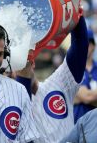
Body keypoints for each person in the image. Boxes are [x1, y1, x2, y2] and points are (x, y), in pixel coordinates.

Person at [15, 15, 88, 143]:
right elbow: (23, 93)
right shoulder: (12, 107)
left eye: (22, 64)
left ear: (33, 64)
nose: (15, 74)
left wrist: (76, 11)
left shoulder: (58, 84)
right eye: (10, 72)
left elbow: (80, 44)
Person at [73, 28, 97, 123]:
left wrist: (83, 98)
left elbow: (86, 97)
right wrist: (88, 97)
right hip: (78, 125)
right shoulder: (73, 70)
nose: (83, 47)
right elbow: (86, 97)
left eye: (87, 43)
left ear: (93, 46)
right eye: (80, 43)